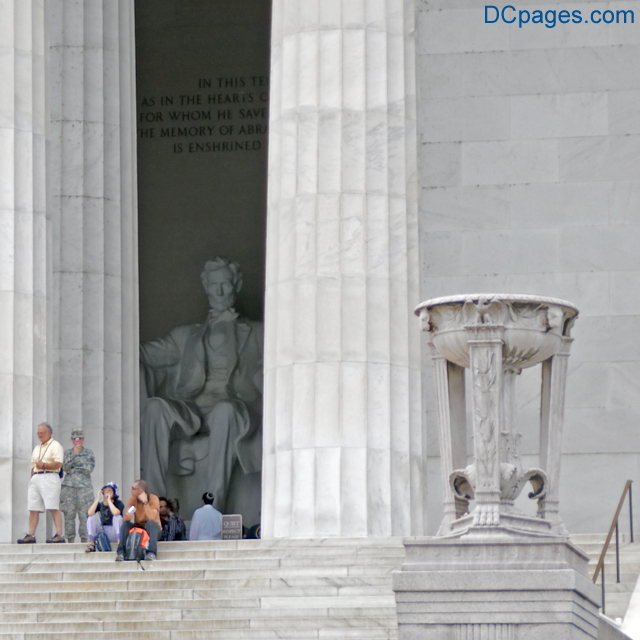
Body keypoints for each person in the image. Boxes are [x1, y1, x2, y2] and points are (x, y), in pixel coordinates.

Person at [139, 257, 263, 513]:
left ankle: (213, 506)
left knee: (225, 410)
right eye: (214, 285)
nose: (219, 292)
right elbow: (145, 353)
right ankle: (153, 505)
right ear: (206, 287)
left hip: (236, 409)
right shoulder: (186, 336)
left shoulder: (259, 332)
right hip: (193, 409)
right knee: (155, 407)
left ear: (236, 286)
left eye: (225, 285)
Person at [17, 423, 65, 544]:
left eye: (42, 433)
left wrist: (43, 465)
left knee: (53, 506)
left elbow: (59, 464)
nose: (39, 435)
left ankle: (59, 534)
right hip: (36, 477)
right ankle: (30, 535)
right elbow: (34, 464)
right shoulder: (37, 447)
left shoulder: (55, 446)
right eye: (38, 433)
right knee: (33, 507)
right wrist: (33, 475)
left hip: (50, 476)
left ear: (49, 433)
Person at [60, 428, 95, 542]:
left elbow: (88, 469)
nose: (77, 441)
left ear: (83, 439)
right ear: (72, 440)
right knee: (69, 515)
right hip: (69, 488)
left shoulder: (88, 453)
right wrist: (74, 455)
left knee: (85, 515)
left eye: (79, 438)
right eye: (75, 439)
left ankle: (84, 541)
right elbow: (65, 468)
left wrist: (73, 468)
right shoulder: (67, 453)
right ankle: (70, 542)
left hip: (84, 488)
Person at [115, 479, 161, 561]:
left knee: (150, 523)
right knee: (126, 524)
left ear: (140, 491)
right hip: (139, 526)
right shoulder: (133, 499)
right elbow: (125, 518)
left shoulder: (154, 499)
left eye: (133, 488)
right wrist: (128, 516)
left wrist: (145, 502)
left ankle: (152, 553)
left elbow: (152, 518)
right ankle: (121, 553)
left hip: (153, 528)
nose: (130, 490)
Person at [85, 482, 125, 552]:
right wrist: (98, 499)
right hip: (104, 530)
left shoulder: (119, 503)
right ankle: (92, 544)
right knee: (91, 518)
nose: (107, 492)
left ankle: (119, 544)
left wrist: (109, 501)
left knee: (118, 517)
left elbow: (116, 513)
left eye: (109, 490)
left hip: (114, 531)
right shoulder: (101, 504)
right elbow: (90, 512)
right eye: (105, 490)